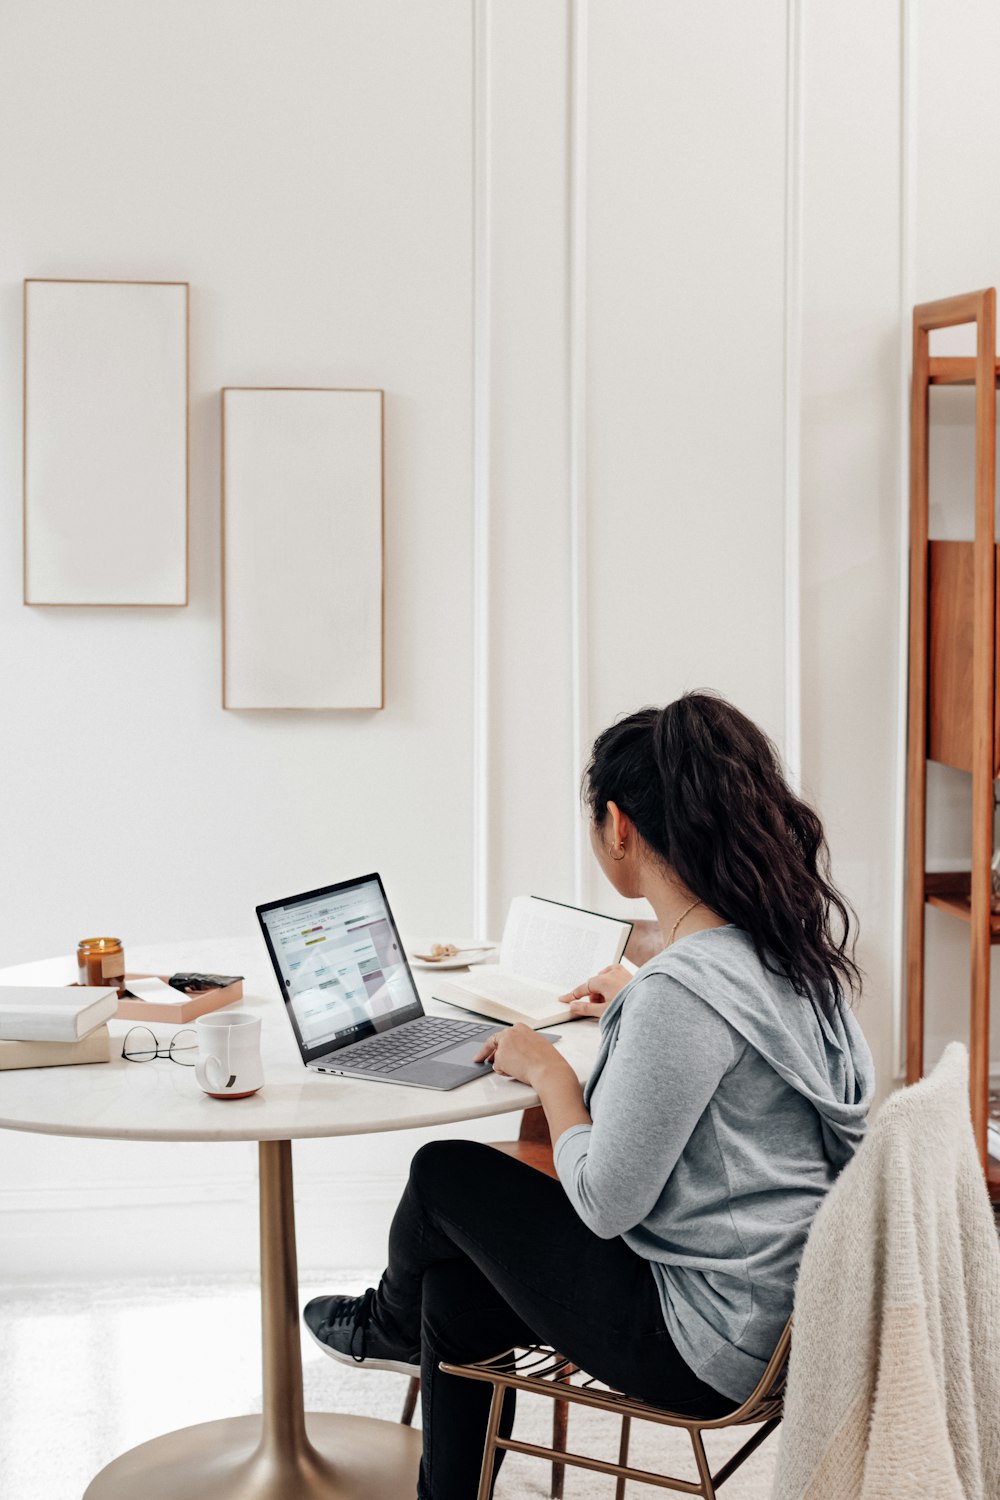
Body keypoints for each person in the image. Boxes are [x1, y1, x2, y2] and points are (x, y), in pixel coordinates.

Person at [304, 693, 875, 1500]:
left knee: (443, 1174)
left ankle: (383, 1327)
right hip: (785, 1314)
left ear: (618, 826)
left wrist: (550, 1074)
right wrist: (638, 1008)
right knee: (456, 1287)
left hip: (706, 1342)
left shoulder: (683, 995)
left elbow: (606, 1201)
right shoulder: (786, 950)